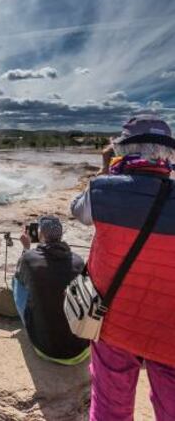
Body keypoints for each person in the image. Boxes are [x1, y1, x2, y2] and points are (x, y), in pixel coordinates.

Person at [71, 115, 175, 421]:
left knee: (109, 408)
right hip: (169, 330)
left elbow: (78, 211)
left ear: (121, 150)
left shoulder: (104, 191)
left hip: (112, 322)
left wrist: (106, 171)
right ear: (167, 153)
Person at [13, 215, 90, 365]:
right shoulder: (78, 261)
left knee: (17, 279)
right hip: (81, 350)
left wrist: (26, 248)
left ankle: (30, 323)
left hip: (45, 350)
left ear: (40, 234)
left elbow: (21, 276)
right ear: (60, 235)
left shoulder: (28, 259)